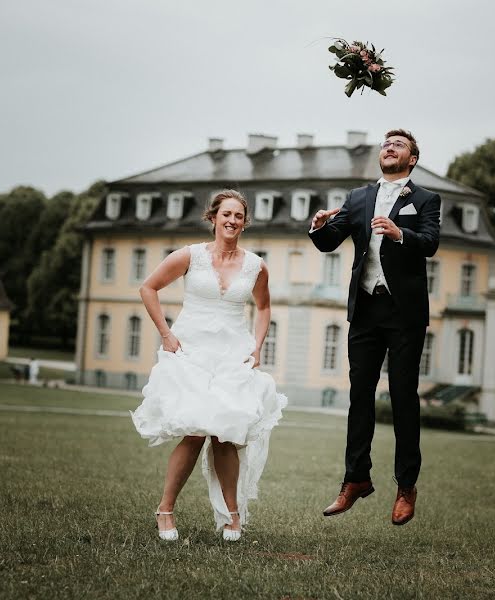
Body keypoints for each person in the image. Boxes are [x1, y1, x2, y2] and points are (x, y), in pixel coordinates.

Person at [130, 189, 287, 542]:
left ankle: (233, 516)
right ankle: (165, 510)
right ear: (213, 217)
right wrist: (166, 334)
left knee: (225, 434)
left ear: (245, 223)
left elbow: (263, 308)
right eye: (226, 214)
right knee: (196, 430)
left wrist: (258, 346)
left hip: (233, 355)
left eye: (239, 216)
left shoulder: (255, 266)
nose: (232, 221)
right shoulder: (190, 256)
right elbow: (148, 288)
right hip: (192, 353)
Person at [308, 129, 441, 526]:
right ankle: (356, 480)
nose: (389, 147)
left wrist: (402, 234)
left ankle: (406, 486)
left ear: (411, 159)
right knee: (359, 397)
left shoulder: (425, 199)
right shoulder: (359, 197)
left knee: (403, 399)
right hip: (365, 309)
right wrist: (317, 227)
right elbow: (332, 240)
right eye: (386, 143)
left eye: (398, 145)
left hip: (405, 314)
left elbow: (431, 242)